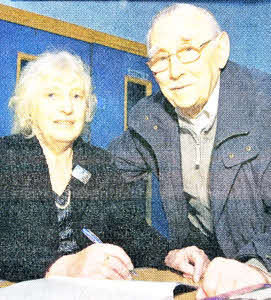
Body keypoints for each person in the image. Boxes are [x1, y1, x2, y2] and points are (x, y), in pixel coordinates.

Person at [108, 3, 271, 298]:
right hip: (200, 283)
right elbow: (101, 181)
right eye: (160, 59)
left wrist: (258, 266)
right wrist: (164, 252)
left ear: (221, 50)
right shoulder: (152, 118)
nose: (174, 71)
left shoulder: (264, 105)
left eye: (187, 51)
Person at [0, 51, 169, 283]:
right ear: (30, 107)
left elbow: (132, 230)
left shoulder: (98, 162)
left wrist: (171, 254)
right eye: (52, 95)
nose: (67, 107)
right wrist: (59, 265)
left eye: (77, 96)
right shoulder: (6, 156)